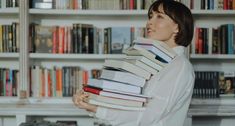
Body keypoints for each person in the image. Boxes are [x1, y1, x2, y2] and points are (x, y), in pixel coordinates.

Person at [72, 0, 195, 126]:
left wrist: (98, 109)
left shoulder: (179, 66)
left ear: (177, 27)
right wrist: (92, 101)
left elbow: (149, 116)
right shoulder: (151, 61)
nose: (149, 22)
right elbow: (129, 106)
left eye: (159, 16)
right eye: (150, 16)